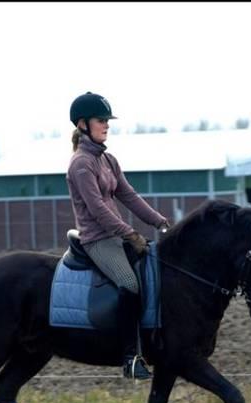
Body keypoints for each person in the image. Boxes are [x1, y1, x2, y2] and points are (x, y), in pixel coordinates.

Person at [66, 92, 170, 380]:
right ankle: (130, 358)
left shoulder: (108, 160)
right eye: (102, 121)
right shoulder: (81, 164)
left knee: (153, 274)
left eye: (107, 121)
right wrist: (130, 233)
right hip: (97, 240)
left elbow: (129, 196)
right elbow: (98, 210)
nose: (107, 126)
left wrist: (160, 222)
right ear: (83, 124)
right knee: (128, 284)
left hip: (117, 237)